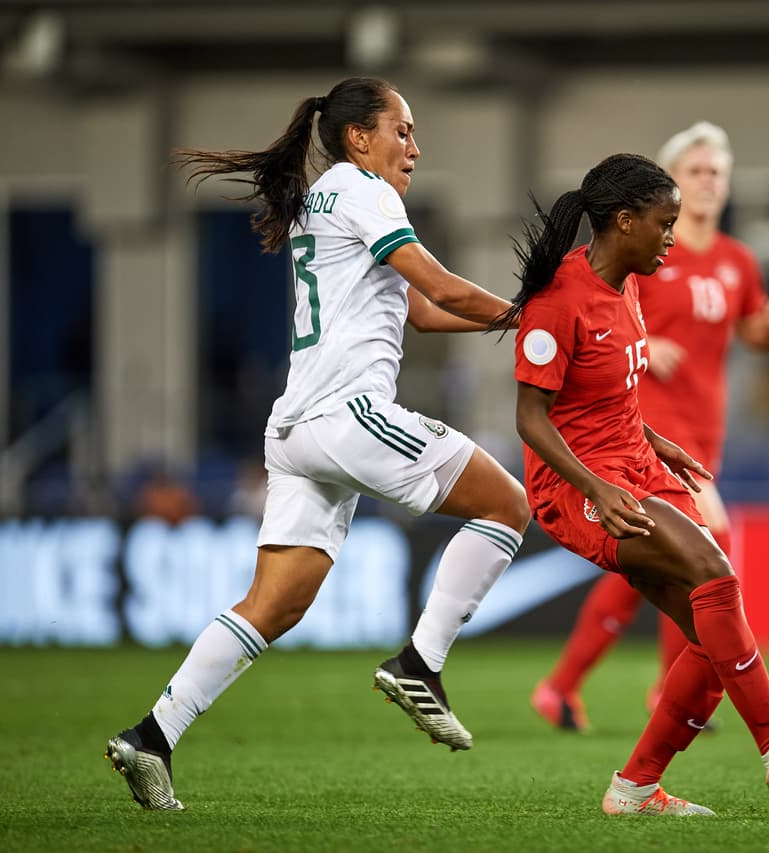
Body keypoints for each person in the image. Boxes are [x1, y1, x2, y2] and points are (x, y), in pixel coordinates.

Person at [105, 76, 531, 811]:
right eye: (403, 130)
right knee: (507, 503)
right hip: (347, 415)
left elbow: (421, 313)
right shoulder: (367, 193)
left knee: (272, 606)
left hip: (295, 430)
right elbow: (440, 286)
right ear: (359, 137)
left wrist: (511, 321)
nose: (415, 148)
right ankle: (420, 665)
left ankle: (153, 735)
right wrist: (536, 312)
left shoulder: (322, 197)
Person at [490, 152, 769, 816]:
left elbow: (613, 396)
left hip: (637, 463)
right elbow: (530, 419)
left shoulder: (631, 283)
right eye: (664, 224)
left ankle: (634, 788)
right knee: (714, 571)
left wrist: (657, 442)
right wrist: (596, 486)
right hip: (573, 488)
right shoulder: (559, 299)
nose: (673, 237)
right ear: (623, 220)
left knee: (712, 638)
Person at [530, 122, 769, 733]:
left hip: (703, 429)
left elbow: (749, 331)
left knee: (642, 570)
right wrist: (653, 347)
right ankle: (671, 695)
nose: (709, 183)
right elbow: (601, 323)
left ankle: (561, 686)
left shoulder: (736, 261)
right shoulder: (648, 254)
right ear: (670, 182)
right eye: (697, 172)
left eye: (717, 174)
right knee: (710, 549)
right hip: (645, 421)